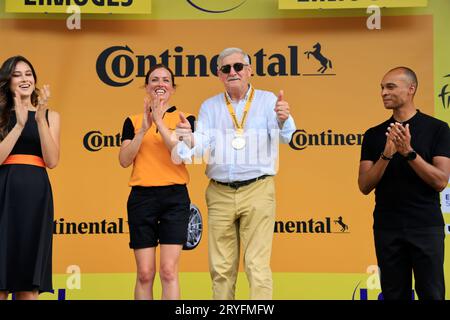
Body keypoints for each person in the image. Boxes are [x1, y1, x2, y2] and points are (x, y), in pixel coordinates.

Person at [176, 47, 296, 300]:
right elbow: (203, 143)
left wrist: (284, 119)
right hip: (219, 192)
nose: (233, 72)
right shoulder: (209, 106)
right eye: (226, 69)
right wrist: (188, 139)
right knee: (220, 269)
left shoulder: (267, 101)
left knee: (256, 266)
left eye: (238, 67)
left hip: (258, 189)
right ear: (219, 75)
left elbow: (285, 136)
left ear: (250, 71)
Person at [358, 67, 450, 300]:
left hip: (425, 226)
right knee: (393, 295)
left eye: (390, 87)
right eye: (381, 88)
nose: (383, 93)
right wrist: (387, 154)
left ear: (411, 89)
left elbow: (440, 181)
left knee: (432, 294)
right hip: (387, 227)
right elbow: (364, 185)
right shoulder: (374, 134)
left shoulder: (437, 129)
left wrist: (409, 153)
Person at [119, 64, 195, 300]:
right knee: (144, 273)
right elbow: (124, 160)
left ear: (172, 88)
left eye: (165, 80)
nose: (160, 84)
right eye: (154, 80)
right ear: (147, 86)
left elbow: (182, 155)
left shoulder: (185, 119)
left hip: (175, 198)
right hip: (142, 198)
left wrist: (160, 123)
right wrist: (143, 130)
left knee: (169, 271)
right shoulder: (132, 121)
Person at [0, 56, 60, 300]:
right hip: (4, 191)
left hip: (36, 196)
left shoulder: (50, 116)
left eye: (28, 73)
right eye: (17, 74)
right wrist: (18, 125)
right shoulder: (1, 115)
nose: (25, 78)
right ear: (7, 81)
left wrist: (39, 120)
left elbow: (52, 161)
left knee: (28, 282)